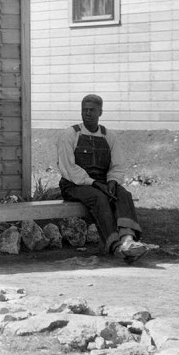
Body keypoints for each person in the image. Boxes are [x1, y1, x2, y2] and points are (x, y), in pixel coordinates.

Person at [57, 95, 146, 263]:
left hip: (102, 184)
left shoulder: (109, 136)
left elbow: (117, 165)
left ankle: (128, 239)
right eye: (84, 110)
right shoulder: (69, 134)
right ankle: (115, 246)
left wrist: (112, 181)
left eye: (92, 110)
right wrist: (96, 184)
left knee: (123, 194)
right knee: (99, 198)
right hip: (74, 185)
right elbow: (69, 169)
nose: (87, 114)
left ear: (100, 112)